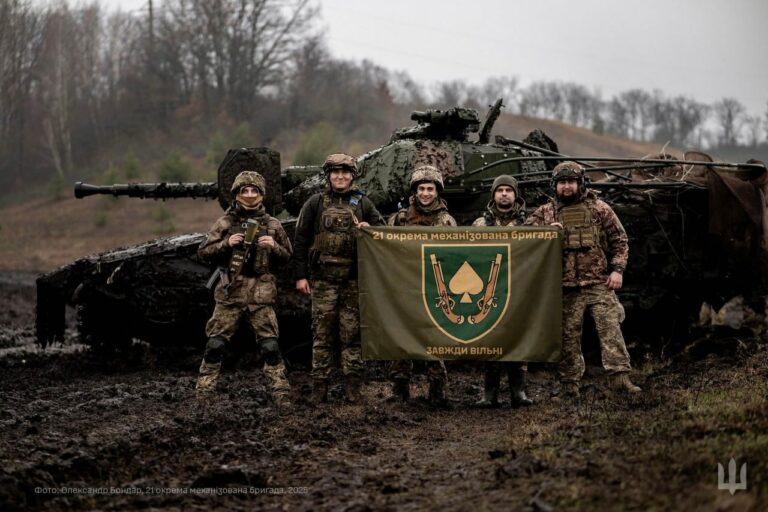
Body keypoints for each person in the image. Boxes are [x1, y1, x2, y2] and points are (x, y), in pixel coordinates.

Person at [526, 161, 641, 398]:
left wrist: (617, 270)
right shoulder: (545, 212)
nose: (566, 187)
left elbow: (620, 240)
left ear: (580, 183)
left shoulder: (599, 208)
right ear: (554, 185)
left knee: (611, 331)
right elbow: (524, 237)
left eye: (571, 182)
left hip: (599, 283)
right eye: (562, 182)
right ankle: (569, 386)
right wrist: (546, 231)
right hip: (565, 286)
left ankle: (620, 379)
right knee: (567, 337)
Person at [196, 171, 293, 407]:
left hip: (261, 293)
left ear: (261, 195)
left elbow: (287, 256)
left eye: (254, 191)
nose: (249, 195)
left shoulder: (272, 224)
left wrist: (273, 246)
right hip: (231, 291)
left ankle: (281, 392)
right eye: (244, 191)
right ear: (237, 194)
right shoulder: (225, 223)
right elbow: (203, 252)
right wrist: (226, 243)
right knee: (215, 344)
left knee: (270, 346)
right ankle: (204, 394)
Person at [293, 153, 384, 404]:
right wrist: (300, 276)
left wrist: (370, 229)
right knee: (322, 335)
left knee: (352, 335)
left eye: (345, 172)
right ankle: (319, 387)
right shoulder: (315, 203)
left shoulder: (364, 203)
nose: (340, 177)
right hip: (323, 281)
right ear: (329, 176)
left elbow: (383, 234)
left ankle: (353, 388)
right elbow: (300, 240)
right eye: (335, 172)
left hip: (353, 281)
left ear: (352, 176)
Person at [388, 164, 455, 405]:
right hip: (405, 285)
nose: (425, 193)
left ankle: (437, 391)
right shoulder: (400, 219)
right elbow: (384, 247)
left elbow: (454, 255)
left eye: (430, 189)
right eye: (421, 189)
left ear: (437, 191)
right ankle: (399, 390)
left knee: (434, 337)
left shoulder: (446, 221)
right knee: (401, 336)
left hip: (433, 287)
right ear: (414, 191)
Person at [471, 175, 533, 407]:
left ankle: (519, 392)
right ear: (493, 195)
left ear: (515, 195)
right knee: (490, 339)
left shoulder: (530, 223)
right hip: (490, 289)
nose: (504, 194)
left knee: (518, 337)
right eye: (500, 190)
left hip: (520, 288)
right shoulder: (480, 224)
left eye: (508, 190)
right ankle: (490, 393)